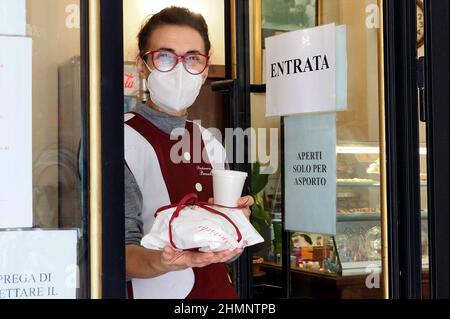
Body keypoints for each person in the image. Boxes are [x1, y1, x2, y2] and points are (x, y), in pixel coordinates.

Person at [124, 6, 254, 299]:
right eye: (166, 56)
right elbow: (115, 257)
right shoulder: (120, 141)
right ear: (143, 65)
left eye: (193, 58)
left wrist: (235, 226)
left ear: (205, 68)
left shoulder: (211, 143)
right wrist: (165, 260)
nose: (181, 70)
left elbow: (229, 255)